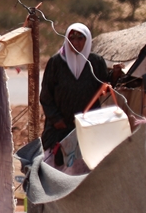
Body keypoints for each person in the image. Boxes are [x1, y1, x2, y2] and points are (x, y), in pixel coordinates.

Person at [39, 23, 118, 152]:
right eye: (72, 38)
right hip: (60, 128)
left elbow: (104, 89)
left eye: (80, 38)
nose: (75, 42)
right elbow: (46, 95)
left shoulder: (96, 62)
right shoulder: (56, 62)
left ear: (86, 40)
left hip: (88, 125)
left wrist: (115, 75)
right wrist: (56, 119)